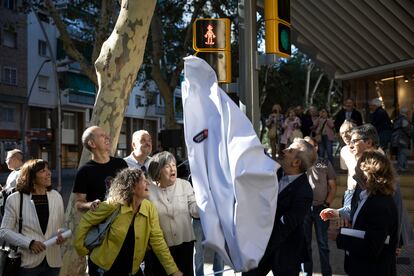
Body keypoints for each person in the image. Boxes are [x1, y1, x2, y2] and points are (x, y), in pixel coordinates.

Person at [74, 168, 183, 276]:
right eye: (143, 180)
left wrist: (173, 270)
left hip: (131, 270)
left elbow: (158, 241)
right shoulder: (113, 204)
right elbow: (86, 221)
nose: (148, 183)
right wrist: (81, 249)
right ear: (132, 187)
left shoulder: (150, 209)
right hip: (103, 269)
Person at [243, 138, 316, 276]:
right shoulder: (273, 173)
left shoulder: (304, 193)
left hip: (285, 254)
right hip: (259, 248)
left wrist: (259, 247)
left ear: (296, 162)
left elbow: (285, 226)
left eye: (290, 150)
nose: (284, 150)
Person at [72, 126, 128, 276]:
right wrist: (89, 205)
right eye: (102, 136)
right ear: (92, 143)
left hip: (123, 231)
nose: (107, 137)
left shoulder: (121, 164)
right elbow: (78, 203)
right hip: (99, 236)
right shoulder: (84, 171)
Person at [334, 151, 398, 276]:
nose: (355, 170)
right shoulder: (367, 196)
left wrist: (339, 238)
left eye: (358, 166)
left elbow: (372, 247)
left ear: (366, 173)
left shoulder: (380, 203)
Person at [0, 159, 66, 275]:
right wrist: (29, 243)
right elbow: (4, 231)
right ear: (31, 177)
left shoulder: (56, 197)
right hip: (27, 264)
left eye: (48, 169)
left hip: (53, 262)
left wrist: (62, 234)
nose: (49, 173)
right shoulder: (15, 199)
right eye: (42, 171)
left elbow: (61, 226)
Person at [146, 151, 198, 276]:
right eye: (167, 166)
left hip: (185, 244)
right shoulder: (147, 190)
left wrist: (206, 204)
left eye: (174, 165)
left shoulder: (184, 185)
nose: (172, 169)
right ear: (158, 171)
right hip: (160, 248)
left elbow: (194, 210)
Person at [302, 137, 336, 276]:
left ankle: (326, 273)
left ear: (316, 147)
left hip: (321, 208)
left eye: (310, 146)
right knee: (305, 245)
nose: (307, 149)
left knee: (323, 244)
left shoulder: (324, 162)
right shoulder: (299, 163)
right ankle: (306, 274)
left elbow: (333, 186)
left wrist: (326, 204)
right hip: (304, 209)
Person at [391, 107, 411, 172]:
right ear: (405, 112)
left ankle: (404, 165)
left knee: (400, 152)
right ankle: (402, 166)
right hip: (402, 138)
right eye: (408, 112)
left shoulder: (398, 118)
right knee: (402, 152)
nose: (409, 113)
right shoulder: (404, 119)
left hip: (396, 138)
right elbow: (406, 129)